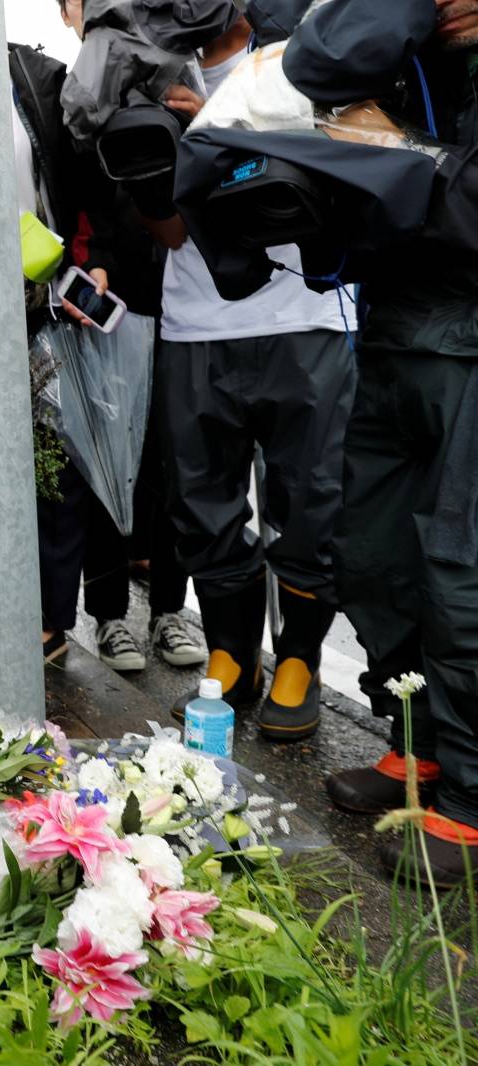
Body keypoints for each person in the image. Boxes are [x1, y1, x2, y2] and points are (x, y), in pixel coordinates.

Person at [283, 0, 478, 885]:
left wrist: (401, 152)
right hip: (395, 325)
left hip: (469, 338)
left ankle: (472, 799)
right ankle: (417, 744)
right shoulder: (407, 42)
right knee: (370, 549)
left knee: (460, 570)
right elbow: (313, 57)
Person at [134, 15, 356, 746]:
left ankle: (299, 661)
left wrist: (228, 134)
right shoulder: (146, 70)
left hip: (306, 314)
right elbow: (168, 229)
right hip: (198, 322)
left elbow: (360, 158)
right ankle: (233, 656)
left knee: (311, 502)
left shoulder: (307, 53)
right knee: (202, 502)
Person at [41, 0, 205, 674]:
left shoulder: (184, 67)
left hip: (187, 298)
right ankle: (109, 617)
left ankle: (170, 610)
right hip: (106, 300)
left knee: (173, 465)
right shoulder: (65, 91)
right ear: (65, 12)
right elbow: (72, 197)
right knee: (105, 456)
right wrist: (91, 264)